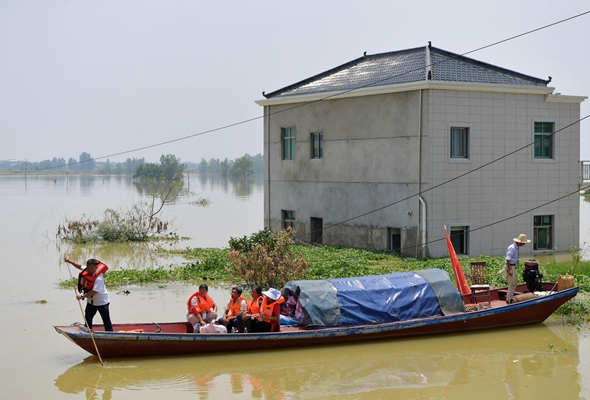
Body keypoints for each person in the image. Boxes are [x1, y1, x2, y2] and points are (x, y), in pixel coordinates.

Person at [64, 257, 113, 331]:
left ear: (96, 267)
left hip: (101, 302)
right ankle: (88, 332)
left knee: (106, 319)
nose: (89, 270)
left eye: (91, 269)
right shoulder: (86, 270)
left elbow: (94, 291)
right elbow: (79, 266)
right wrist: (69, 261)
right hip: (91, 302)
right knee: (88, 318)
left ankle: (109, 333)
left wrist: (82, 296)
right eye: (88, 268)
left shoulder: (99, 278)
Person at [504, 233, 531, 303]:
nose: (524, 244)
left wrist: (514, 266)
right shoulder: (512, 247)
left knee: (513, 284)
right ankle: (509, 300)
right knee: (512, 284)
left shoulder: (517, 247)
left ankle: (509, 298)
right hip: (509, 267)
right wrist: (509, 269)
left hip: (512, 266)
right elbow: (508, 259)